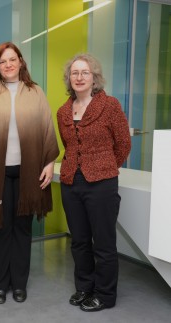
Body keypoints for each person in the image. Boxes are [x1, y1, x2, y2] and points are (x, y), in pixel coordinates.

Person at [0, 42, 59, 304]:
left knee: (22, 228)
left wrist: (50, 162)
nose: (8, 65)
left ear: (21, 62)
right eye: (2, 61)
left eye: (12, 59)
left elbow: (46, 128)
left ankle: (19, 283)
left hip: (28, 172)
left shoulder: (35, 92)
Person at [57, 53, 131, 312]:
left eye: (84, 72)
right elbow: (68, 146)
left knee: (103, 242)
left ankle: (105, 294)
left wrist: (105, 167)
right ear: (69, 78)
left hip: (102, 184)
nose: (78, 77)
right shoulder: (63, 111)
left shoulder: (109, 106)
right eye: (74, 73)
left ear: (94, 78)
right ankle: (84, 287)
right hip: (70, 182)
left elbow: (123, 144)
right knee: (78, 240)